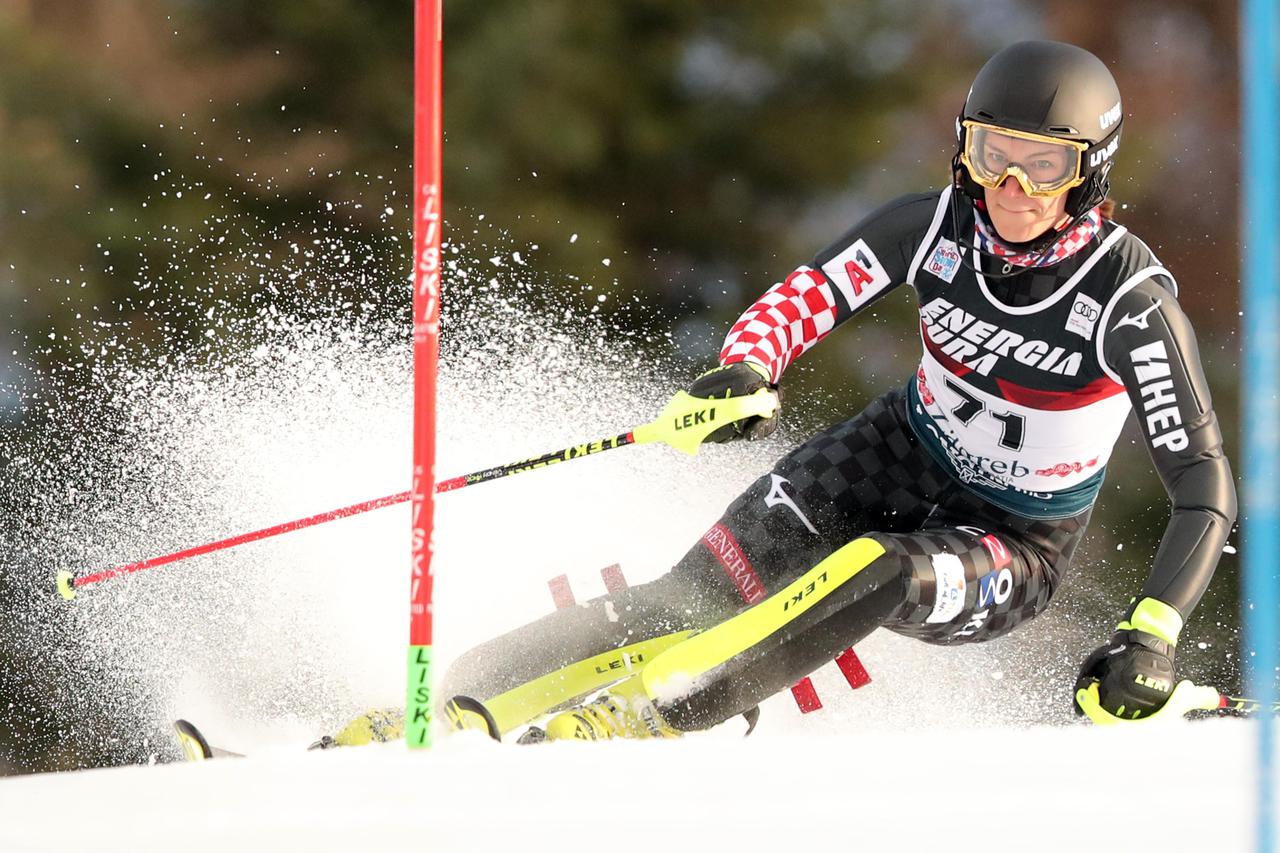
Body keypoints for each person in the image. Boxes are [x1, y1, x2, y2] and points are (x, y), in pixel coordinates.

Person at [438, 39, 1236, 742]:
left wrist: (1154, 632)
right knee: (694, 595)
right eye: (995, 152)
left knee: (881, 568)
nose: (1014, 184)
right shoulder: (932, 227)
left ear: (1089, 170)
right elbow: (804, 295)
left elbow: (1203, 484)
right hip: (893, 450)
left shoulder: (1129, 302)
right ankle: (458, 694)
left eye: (1046, 163)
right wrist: (749, 368)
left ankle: (665, 714)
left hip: (1015, 538)